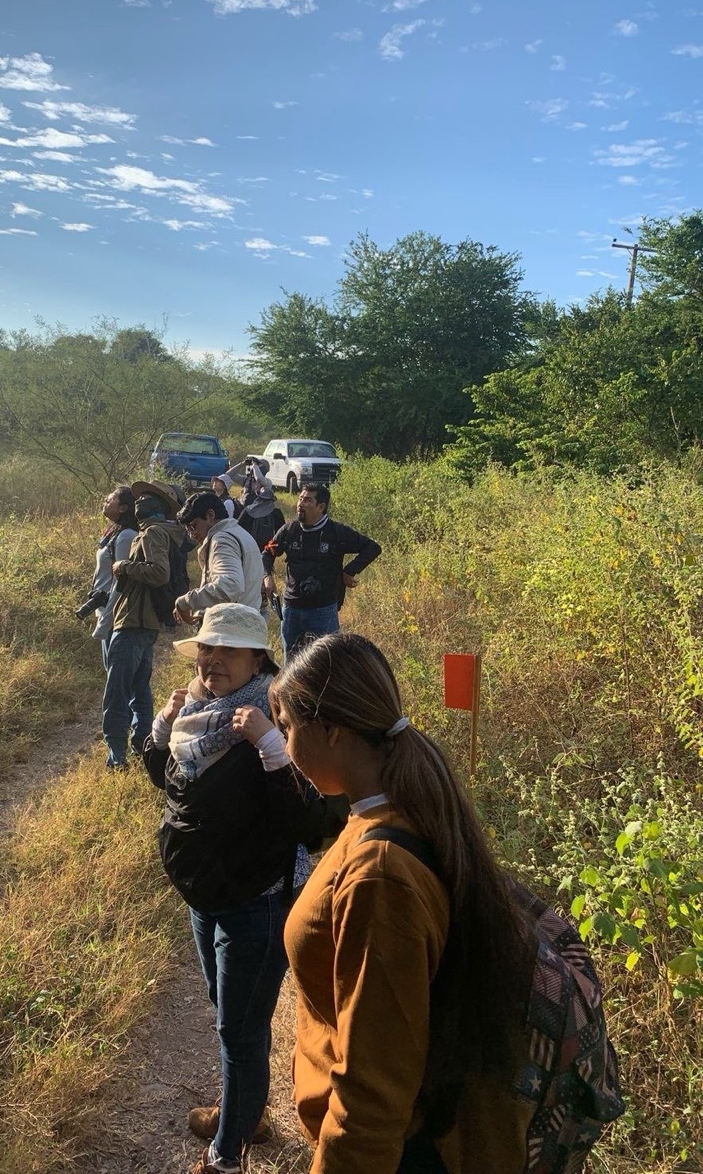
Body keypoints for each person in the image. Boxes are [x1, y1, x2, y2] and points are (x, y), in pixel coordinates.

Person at [269, 632, 537, 1174]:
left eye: (288, 728)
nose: (285, 745)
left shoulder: (380, 877)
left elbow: (372, 1097)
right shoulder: (390, 810)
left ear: (333, 731)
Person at [140, 603, 327, 1174]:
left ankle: (227, 1153)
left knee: (239, 1029)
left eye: (228, 650)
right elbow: (177, 795)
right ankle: (246, 1113)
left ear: (257, 659)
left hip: (257, 904)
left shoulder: (276, 716)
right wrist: (161, 731)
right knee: (231, 1015)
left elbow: (314, 824)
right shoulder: (197, 713)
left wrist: (273, 747)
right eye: (206, 648)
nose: (213, 659)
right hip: (207, 898)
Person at [103, 479, 181, 771]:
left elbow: (159, 573)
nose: (140, 502)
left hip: (134, 621)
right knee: (139, 688)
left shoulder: (152, 533)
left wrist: (125, 567)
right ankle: (142, 745)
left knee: (118, 690)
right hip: (143, 622)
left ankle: (117, 756)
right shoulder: (160, 532)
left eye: (146, 498)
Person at [262, 482, 381, 658]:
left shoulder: (337, 533)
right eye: (300, 498)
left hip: (323, 610)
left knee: (327, 662)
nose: (300, 504)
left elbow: (372, 548)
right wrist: (267, 577)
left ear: (321, 507)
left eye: (307, 500)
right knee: (292, 663)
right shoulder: (289, 530)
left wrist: (349, 571)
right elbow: (267, 553)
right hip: (291, 608)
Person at [173, 490, 265, 625]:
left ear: (210, 516)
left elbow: (230, 586)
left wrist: (186, 601)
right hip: (244, 626)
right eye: (188, 530)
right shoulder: (239, 533)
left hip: (230, 632)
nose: (192, 535)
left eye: (193, 526)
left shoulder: (222, 540)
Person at [88, 486, 138, 658]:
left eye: (111, 499)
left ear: (123, 508)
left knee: (116, 677)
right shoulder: (115, 532)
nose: (106, 500)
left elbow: (121, 582)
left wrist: (105, 622)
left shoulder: (126, 536)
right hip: (107, 610)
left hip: (116, 615)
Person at [220, 457, 282, 551]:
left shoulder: (267, 482)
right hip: (243, 511)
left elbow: (260, 479)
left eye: (258, 466)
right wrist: (242, 463)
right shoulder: (246, 480)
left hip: (257, 513)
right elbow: (229, 475)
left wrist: (255, 465)